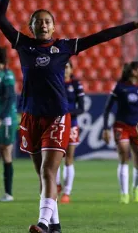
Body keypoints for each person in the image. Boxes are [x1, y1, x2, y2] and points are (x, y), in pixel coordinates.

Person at [0, 0, 138, 232]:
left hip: (58, 116)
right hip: (30, 116)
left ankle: (44, 224)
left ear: (54, 26)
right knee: (42, 175)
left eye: (47, 21)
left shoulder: (64, 47)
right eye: (38, 21)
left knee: (49, 172)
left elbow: (100, 37)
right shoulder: (23, 44)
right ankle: (55, 225)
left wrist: (134, 25)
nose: (43, 24)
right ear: (31, 26)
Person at [102, 61, 138, 205]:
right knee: (124, 155)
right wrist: (105, 128)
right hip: (121, 125)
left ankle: (136, 188)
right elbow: (107, 109)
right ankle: (124, 194)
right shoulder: (120, 87)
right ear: (134, 72)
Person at [0, 46, 17, 202]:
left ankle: (8, 193)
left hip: (5, 120)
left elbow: (10, 99)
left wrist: (0, 118)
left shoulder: (7, 75)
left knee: (5, 152)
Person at [55, 62, 85, 204]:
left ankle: (67, 192)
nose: (64, 69)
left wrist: (67, 113)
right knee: (55, 157)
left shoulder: (76, 85)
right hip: (56, 124)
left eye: (67, 67)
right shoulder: (55, 82)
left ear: (71, 69)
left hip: (71, 124)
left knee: (69, 158)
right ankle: (57, 184)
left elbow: (82, 108)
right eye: (63, 66)